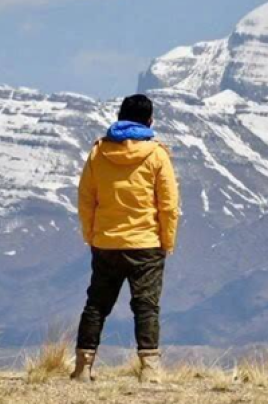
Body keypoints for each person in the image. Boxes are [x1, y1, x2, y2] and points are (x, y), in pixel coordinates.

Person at [71, 94, 181, 382]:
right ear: (150, 120)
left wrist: (92, 234)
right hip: (146, 243)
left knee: (96, 304)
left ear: (119, 117)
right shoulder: (157, 155)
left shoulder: (98, 152)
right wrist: (167, 240)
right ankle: (150, 371)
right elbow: (168, 204)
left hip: (106, 242)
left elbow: (86, 199)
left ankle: (83, 367)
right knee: (146, 306)